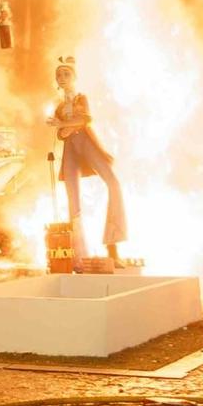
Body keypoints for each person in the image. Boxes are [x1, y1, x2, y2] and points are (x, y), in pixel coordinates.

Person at [47, 58, 127, 266]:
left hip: (87, 143)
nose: (62, 78)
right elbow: (62, 134)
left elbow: (84, 120)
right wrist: (64, 127)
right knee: (73, 200)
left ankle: (113, 245)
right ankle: (78, 255)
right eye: (59, 75)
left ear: (74, 77)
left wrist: (65, 124)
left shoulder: (81, 98)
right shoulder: (58, 106)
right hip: (71, 150)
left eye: (66, 74)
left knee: (113, 183)